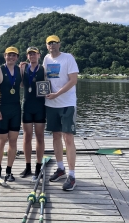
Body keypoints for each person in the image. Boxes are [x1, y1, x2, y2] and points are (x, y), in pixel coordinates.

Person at [42, 35, 79, 191]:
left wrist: (57, 94)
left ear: (59, 44)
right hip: (51, 104)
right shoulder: (45, 59)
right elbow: (43, 77)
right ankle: (60, 168)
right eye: (49, 43)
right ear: (47, 46)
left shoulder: (68, 58)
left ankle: (72, 175)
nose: (52, 45)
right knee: (56, 136)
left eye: (54, 42)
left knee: (68, 137)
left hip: (67, 104)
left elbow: (73, 80)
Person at [0, 46, 22, 182]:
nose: (11, 57)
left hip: (16, 110)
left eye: (14, 55)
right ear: (5, 56)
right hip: (3, 110)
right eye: (9, 55)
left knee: (13, 141)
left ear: (17, 58)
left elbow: (28, 83)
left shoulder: (20, 70)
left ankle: (9, 171)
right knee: (1, 141)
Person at [19, 47, 46, 181]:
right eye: (30, 54)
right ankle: (28, 166)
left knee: (40, 137)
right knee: (27, 137)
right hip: (27, 106)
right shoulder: (23, 68)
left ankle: (38, 167)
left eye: (34, 54)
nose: (32, 56)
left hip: (40, 107)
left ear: (39, 55)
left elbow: (51, 84)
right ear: (27, 56)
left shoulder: (44, 69)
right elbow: (19, 84)